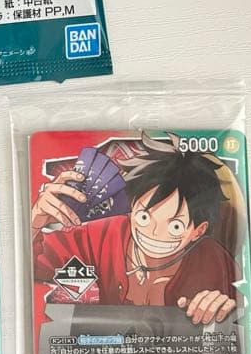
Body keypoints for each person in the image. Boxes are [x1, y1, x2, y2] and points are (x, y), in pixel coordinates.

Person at [31, 133, 238, 324]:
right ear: (132, 207)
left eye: (175, 226)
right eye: (144, 217)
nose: (154, 232)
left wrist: (223, 308)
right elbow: (33, 266)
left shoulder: (213, 262)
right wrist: (34, 224)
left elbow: (240, 312)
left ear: (198, 231)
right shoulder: (102, 235)